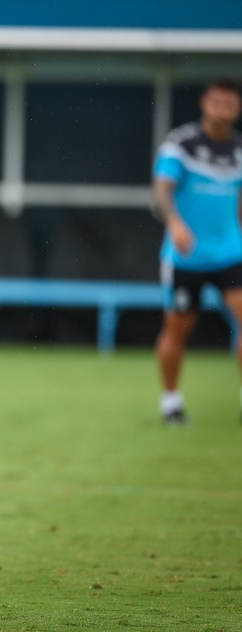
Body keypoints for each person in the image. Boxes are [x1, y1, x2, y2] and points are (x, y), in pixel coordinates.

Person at [154, 77, 242, 424]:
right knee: (177, 331)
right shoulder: (181, 145)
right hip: (185, 258)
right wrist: (175, 224)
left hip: (230, 255)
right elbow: (161, 191)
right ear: (205, 103)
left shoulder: (238, 151)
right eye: (217, 102)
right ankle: (171, 401)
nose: (224, 109)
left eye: (230, 104)